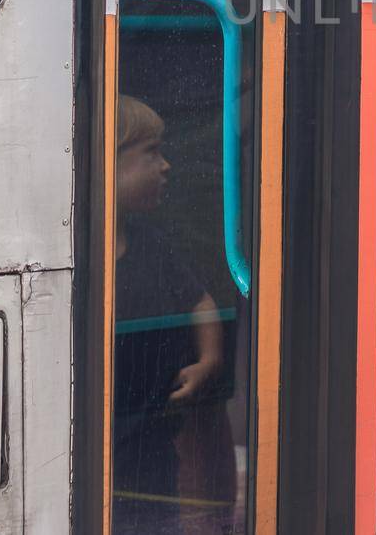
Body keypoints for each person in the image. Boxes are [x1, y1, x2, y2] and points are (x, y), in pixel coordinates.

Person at [110, 94, 237, 535]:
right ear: (107, 160)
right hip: (107, 425)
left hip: (154, 426)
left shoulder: (151, 241)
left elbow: (200, 301)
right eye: (151, 153)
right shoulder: (78, 253)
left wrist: (209, 361)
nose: (166, 165)